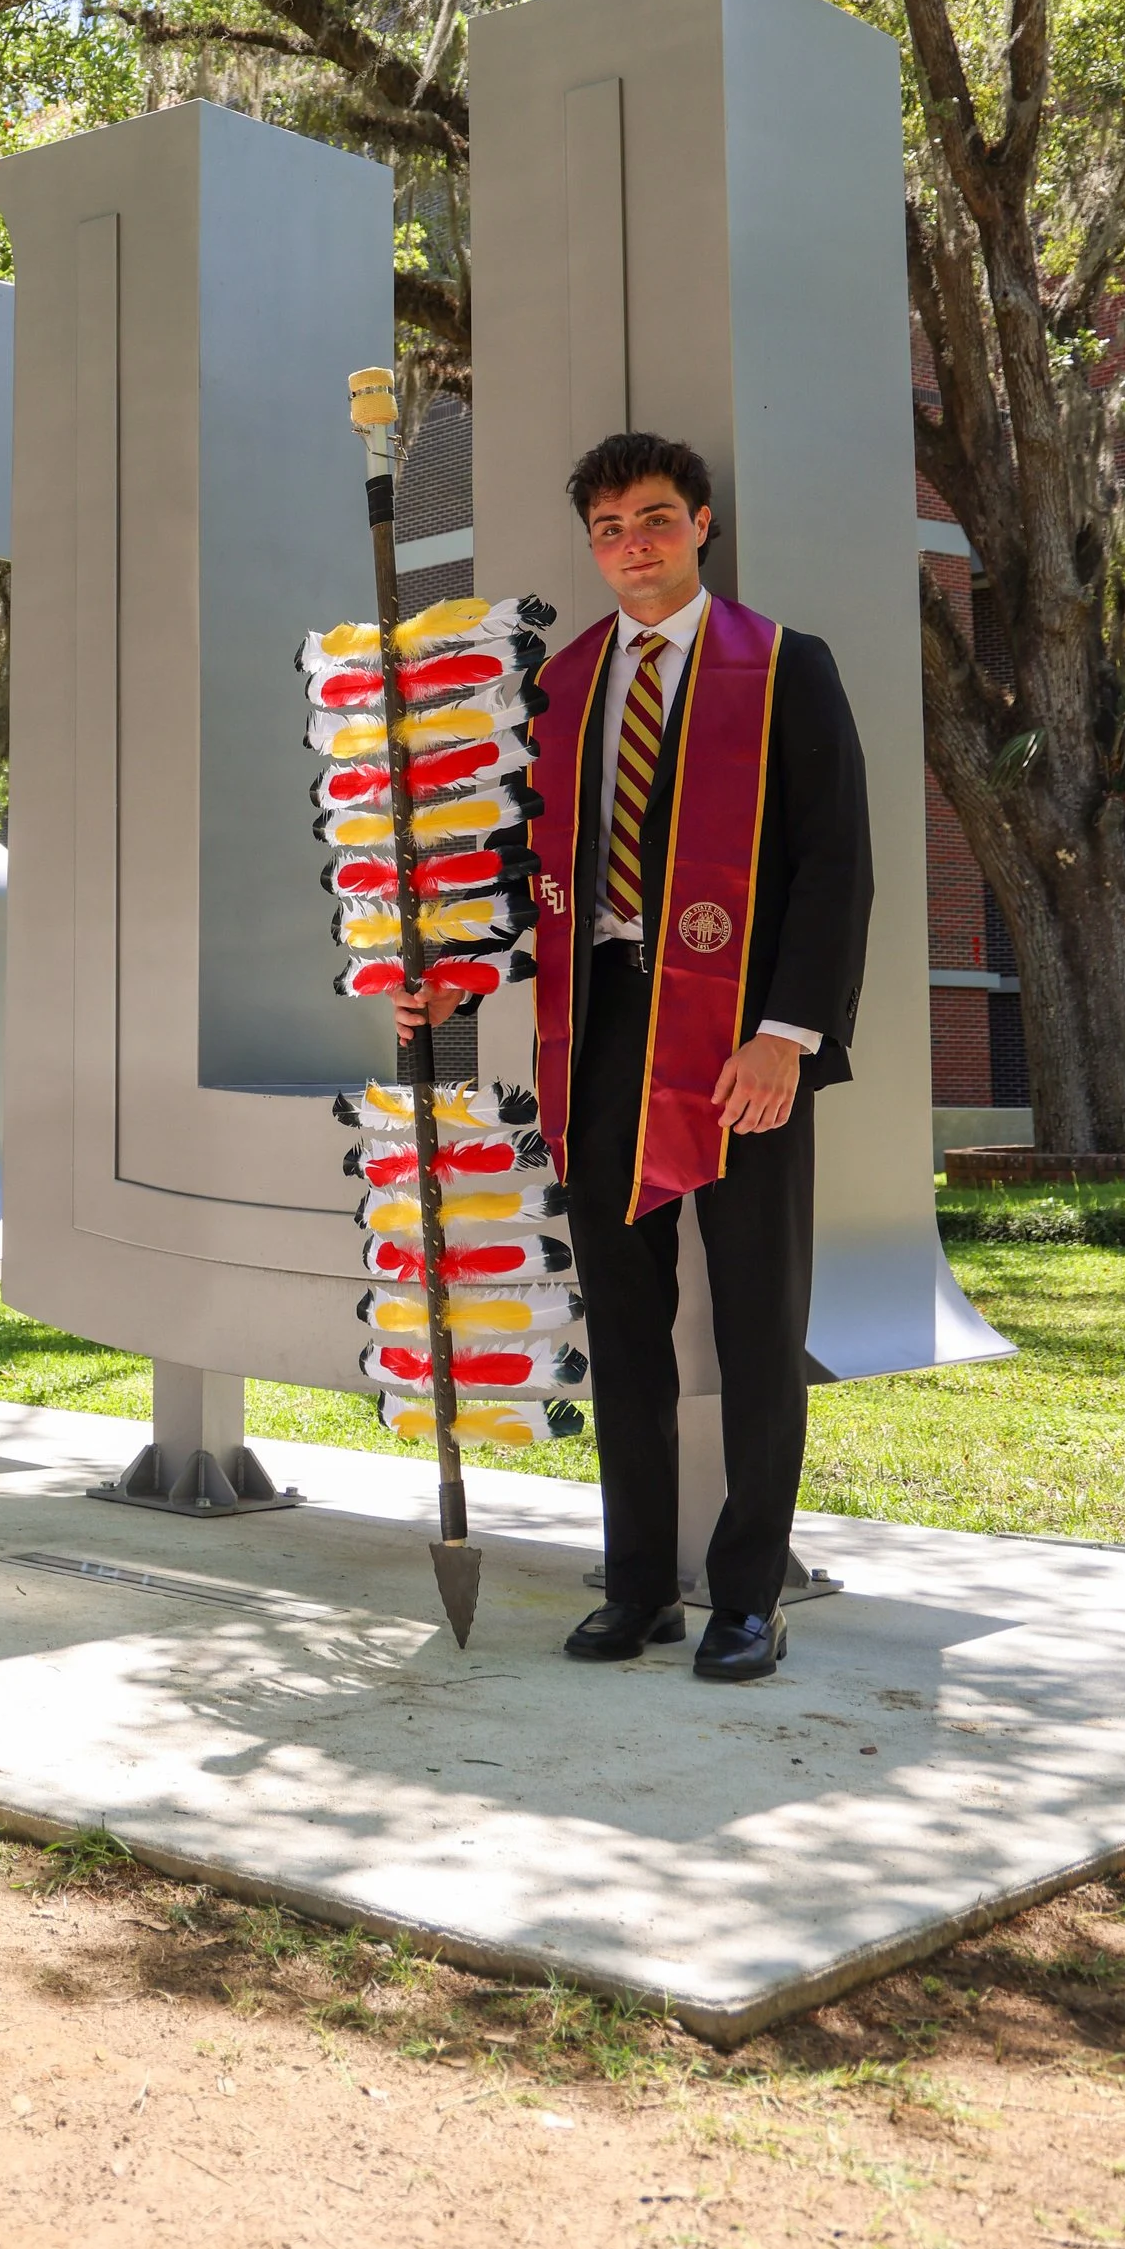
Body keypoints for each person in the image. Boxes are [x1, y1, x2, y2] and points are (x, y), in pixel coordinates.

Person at [400, 434, 871, 1681]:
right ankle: (638, 1585)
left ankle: (746, 1596)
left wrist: (787, 1034)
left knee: (758, 1320)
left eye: (655, 519)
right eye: (609, 529)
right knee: (620, 1318)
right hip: (600, 1030)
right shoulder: (560, 685)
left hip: (738, 1037)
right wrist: (457, 970)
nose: (633, 545)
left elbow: (835, 864)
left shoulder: (783, 667)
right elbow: (526, 866)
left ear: (701, 523)